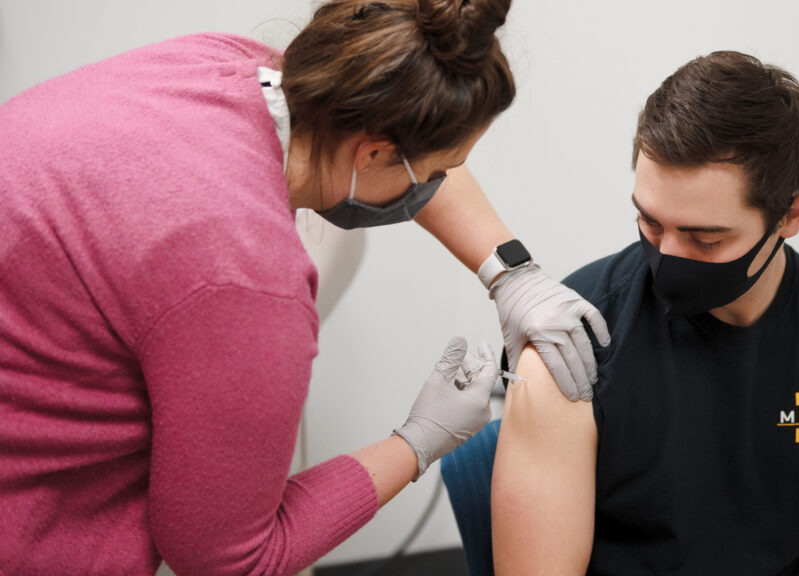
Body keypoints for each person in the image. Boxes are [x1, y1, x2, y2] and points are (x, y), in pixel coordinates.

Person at [0, 0, 610, 574]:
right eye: (435, 173)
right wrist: (419, 441)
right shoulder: (247, 281)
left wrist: (512, 272)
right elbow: (227, 561)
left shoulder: (222, 65)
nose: (437, 186)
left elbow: (396, 139)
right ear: (373, 154)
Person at [491, 51, 799, 576]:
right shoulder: (573, 341)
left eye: (704, 239)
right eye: (650, 223)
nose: (667, 257)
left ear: (792, 215)